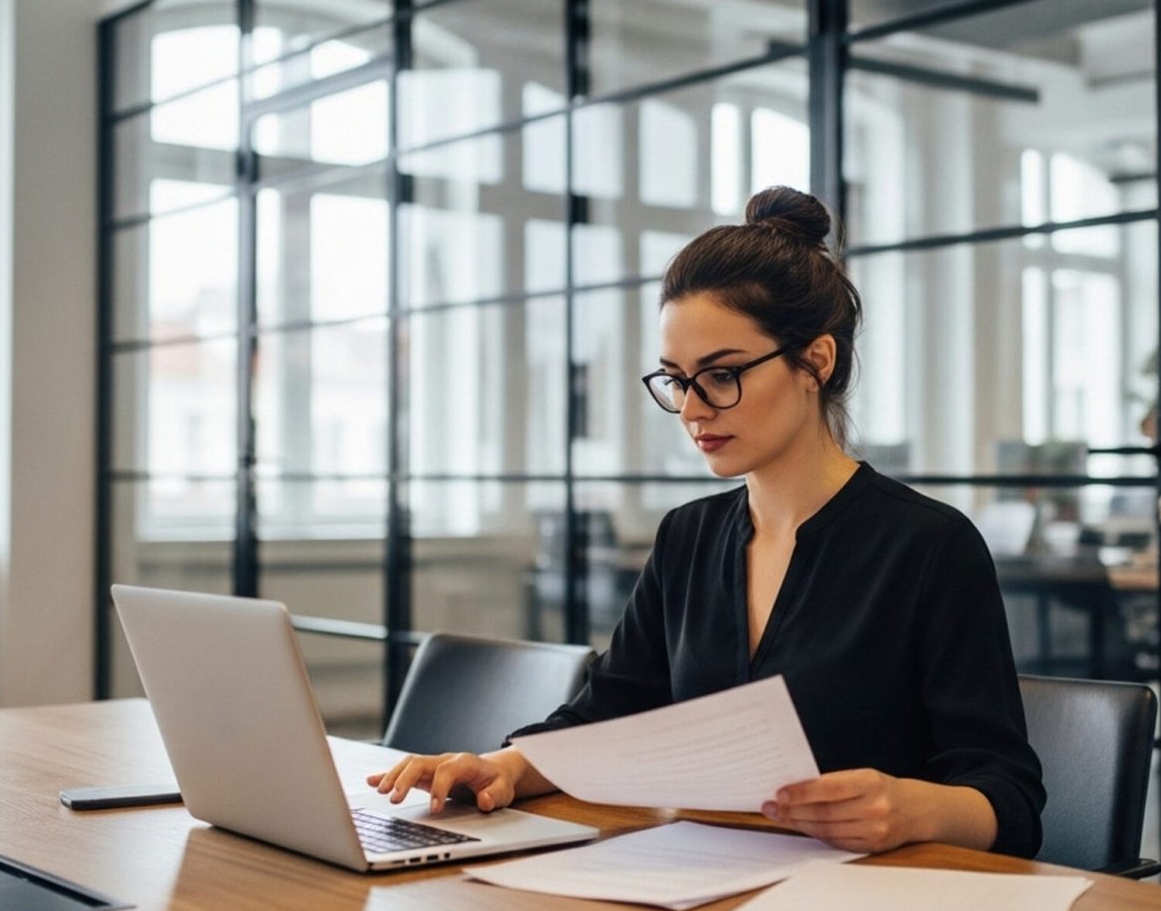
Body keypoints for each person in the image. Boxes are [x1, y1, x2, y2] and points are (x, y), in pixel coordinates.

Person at [370, 186, 1045, 856]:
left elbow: (1008, 796)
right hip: (706, 882)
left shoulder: (929, 546)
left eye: (721, 376)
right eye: (676, 379)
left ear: (816, 360)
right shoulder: (688, 537)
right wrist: (504, 768)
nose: (692, 410)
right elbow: (611, 711)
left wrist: (912, 808)